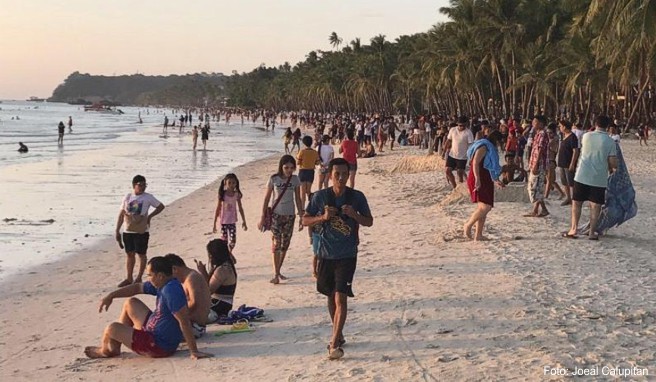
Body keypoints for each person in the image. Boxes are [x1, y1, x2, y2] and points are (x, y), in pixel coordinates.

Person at [302, 158, 373, 360]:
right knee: (330, 296)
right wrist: (322, 218)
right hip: (325, 253)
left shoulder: (356, 197)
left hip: (347, 254)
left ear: (349, 174)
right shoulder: (320, 197)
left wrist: (355, 215)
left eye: (344, 174)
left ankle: (333, 343)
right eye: (337, 174)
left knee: (341, 297)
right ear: (330, 175)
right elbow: (305, 220)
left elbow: (369, 221)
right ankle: (338, 333)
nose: (341, 178)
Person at [84, 256, 212, 360]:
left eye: (150, 275)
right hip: (152, 330)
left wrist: (194, 351)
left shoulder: (171, 291)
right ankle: (116, 344)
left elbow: (184, 321)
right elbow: (137, 288)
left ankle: (105, 350)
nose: (148, 279)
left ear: (160, 276)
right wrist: (111, 296)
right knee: (131, 303)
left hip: (158, 345)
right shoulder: (163, 283)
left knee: (112, 328)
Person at [564, 116, 618, 240]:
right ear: (608, 126)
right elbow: (613, 162)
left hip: (582, 174)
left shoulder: (586, 136)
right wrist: (612, 167)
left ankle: (573, 229)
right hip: (598, 178)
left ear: (595, 124)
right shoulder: (610, 141)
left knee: (577, 203)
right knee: (595, 206)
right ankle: (592, 232)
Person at [257, 155, 303, 284]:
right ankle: (276, 274)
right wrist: (262, 217)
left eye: (291, 168)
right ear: (281, 167)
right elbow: (267, 198)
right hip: (276, 215)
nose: (289, 170)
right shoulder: (274, 179)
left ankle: (278, 270)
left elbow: (298, 199)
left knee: (285, 245)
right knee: (276, 243)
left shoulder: (295, 180)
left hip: (290, 215)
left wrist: (301, 216)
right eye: (286, 167)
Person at [115, 175, 165, 287]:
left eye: (144, 185)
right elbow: (121, 214)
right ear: (134, 185)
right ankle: (129, 278)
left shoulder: (148, 197)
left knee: (141, 254)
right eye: (140, 185)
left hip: (142, 231)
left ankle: (138, 278)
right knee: (129, 254)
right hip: (128, 230)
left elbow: (161, 206)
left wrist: (150, 216)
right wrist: (117, 230)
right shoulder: (127, 197)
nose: (142, 187)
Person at [463, 130, 505, 240]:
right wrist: (477, 179)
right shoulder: (484, 147)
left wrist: (496, 180)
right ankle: (468, 225)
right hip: (478, 177)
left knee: (483, 206)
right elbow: (475, 163)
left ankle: (478, 235)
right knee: (485, 207)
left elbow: (489, 166)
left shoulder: (489, 147)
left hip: (486, 178)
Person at [164, 254, 211, 338]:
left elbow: (194, 302)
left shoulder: (192, 278)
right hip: (193, 325)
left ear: (175, 269)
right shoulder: (189, 278)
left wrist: (174, 312)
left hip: (195, 326)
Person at [195, 239, 237, 321]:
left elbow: (208, 290)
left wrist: (203, 272)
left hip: (220, 305)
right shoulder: (225, 264)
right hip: (221, 302)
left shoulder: (223, 269)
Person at [213, 173, 247, 256]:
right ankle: (226, 255)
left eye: (233, 183)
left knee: (233, 241)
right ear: (225, 183)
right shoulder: (222, 195)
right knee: (224, 240)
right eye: (229, 183)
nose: (232, 185)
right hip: (223, 222)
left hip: (232, 221)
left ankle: (229, 253)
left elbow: (240, 208)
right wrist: (214, 223)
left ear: (236, 183)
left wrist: (244, 221)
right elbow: (218, 208)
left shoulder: (236, 195)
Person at [525, 116, 550, 217]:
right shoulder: (537, 134)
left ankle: (540, 209)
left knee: (535, 187)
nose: (533, 124)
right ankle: (539, 209)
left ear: (540, 123)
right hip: (535, 163)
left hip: (539, 164)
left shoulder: (543, 134)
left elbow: (540, 150)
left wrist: (535, 165)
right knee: (536, 187)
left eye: (535, 122)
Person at [444, 116, 474, 189]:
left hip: (462, 156)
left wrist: (471, 157)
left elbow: (471, 146)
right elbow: (448, 141)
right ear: (457, 124)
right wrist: (444, 151)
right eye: (460, 125)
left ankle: (459, 188)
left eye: (464, 125)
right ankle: (455, 187)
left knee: (460, 173)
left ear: (466, 124)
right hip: (452, 154)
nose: (462, 127)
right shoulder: (453, 130)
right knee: (447, 171)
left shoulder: (468, 133)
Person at [557, 120, 579, 206]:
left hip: (568, 162)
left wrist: (572, 163)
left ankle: (574, 199)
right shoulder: (564, 136)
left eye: (561, 126)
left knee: (571, 182)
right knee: (564, 181)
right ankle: (568, 198)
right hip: (562, 162)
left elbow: (575, 151)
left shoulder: (573, 137)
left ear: (565, 127)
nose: (560, 128)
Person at [297, 136, 320, 209]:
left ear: (304, 143)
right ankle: (311, 206)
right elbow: (317, 162)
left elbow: (298, 162)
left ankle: (302, 207)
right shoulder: (314, 152)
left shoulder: (302, 151)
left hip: (303, 171)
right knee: (308, 191)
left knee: (302, 191)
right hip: (310, 171)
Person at [544, 124, 566, 200]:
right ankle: (562, 193)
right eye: (547, 133)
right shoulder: (551, 139)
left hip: (551, 161)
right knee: (552, 180)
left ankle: (545, 196)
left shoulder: (555, 139)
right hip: (547, 160)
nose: (548, 134)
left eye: (550, 133)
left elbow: (548, 145)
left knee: (549, 180)